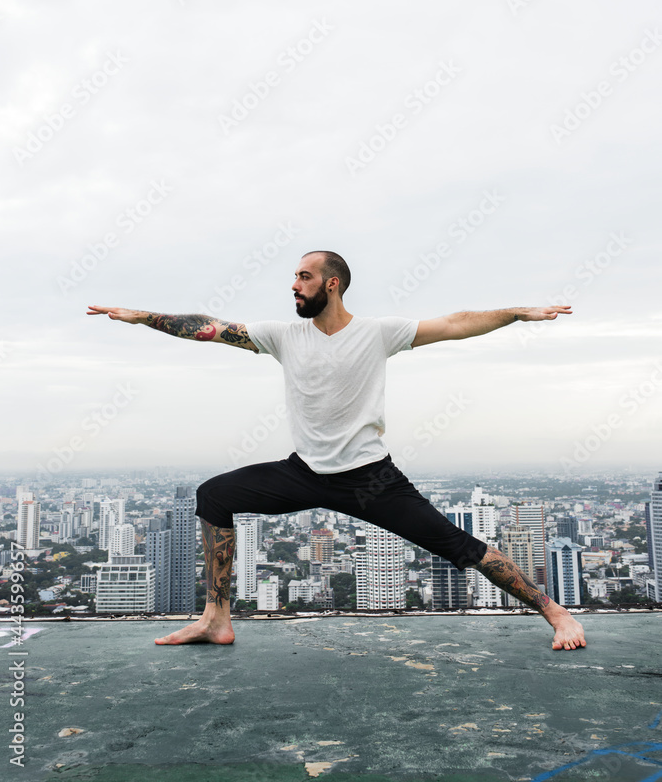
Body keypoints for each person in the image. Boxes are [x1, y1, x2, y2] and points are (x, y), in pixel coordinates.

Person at [87, 249, 586, 651]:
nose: (293, 286)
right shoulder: (283, 336)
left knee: (459, 546)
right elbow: (211, 327)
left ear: (332, 284)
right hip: (303, 472)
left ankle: (556, 612)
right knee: (213, 495)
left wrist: (518, 313)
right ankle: (216, 620)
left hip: (371, 480)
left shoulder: (378, 333)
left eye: (303, 277)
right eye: (293, 277)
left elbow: (455, 323)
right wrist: (146, 317)